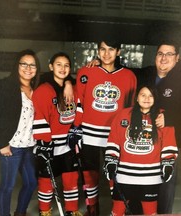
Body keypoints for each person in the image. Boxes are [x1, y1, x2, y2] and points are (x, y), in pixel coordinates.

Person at [70, 39, 137, 215]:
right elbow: (79, 102)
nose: (106, 54)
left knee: (115, 175)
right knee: (89, 175)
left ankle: (118, 210)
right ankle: (93, 208)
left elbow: (131, 109)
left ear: (119, 52)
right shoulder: (86, 72)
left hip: (114, 137)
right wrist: (76, 127)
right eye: (102, 49)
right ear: (98, 51)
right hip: (89, 134)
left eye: (111, 49)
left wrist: (128, 133)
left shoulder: (129, 76)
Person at [134, 40, 181, 214]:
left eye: (169, 54)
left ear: (177, 58)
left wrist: (169, 118)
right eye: (160, 54)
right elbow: (119, 71)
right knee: (141, 179)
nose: (164, 58)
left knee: (165, 182)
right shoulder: (145, 74)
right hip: (143, 140)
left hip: (169, 141)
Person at [103, 85, 178, 215]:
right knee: (117, 211)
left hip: (150, 177)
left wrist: (168, 164)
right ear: (137, 98)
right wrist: (111, 160)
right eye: (143, 95)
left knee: (150, 212)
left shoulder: (162, 117)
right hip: (124, 175)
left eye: (150, 95)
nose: (147, 99)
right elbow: (114, 140)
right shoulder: (123, 115)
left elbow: (168, 144)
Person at [0, 49, 40, 216]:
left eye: (33, 65)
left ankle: (20, 212)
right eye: (24, 64)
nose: (28, 68)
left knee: (31, 182)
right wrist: (1, 143)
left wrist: (67, 84)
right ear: (17, 65)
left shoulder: (36, 88)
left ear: (37, 69)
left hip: (30, 146)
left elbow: (60, 77)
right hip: (12, 146)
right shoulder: (5, 85)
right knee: (8, 186)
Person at [32, 52, 82, 216]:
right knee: (46, 181)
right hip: (50, 144)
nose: (62, 68)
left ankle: (72, 210)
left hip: (68, 144)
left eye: (66, 65)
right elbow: (40, 117)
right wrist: (44, 144)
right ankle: (44, 210)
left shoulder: (74, 88)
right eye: (58, 64)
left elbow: (80, 109)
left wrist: (75, 128)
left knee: (71, 179)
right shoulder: (43, 90)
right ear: (51, 67)